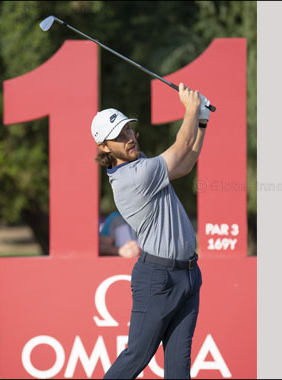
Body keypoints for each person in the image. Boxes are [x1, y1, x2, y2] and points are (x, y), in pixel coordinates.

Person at [92, 83, 210, 378]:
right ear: (105, 148)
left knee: (179, 365)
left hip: (188, 275)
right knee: (137, 356)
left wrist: (202, 120)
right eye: (119, 137)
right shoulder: (132, 177)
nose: (128, 137)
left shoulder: (141, 164)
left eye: (129, 130)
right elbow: (180, 148)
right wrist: (191, 109)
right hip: (158, 279)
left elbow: (185, 164)